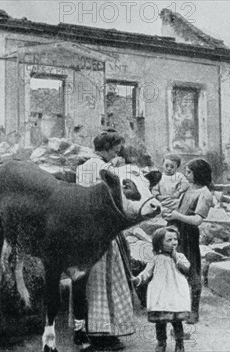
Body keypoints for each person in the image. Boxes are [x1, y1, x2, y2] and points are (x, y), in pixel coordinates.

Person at [74, 129, 132, 351]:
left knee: (86, 281)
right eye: (116, 146)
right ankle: (103, 333)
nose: (119, 150)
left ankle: (84, 329)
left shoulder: (82, 168)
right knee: (106, 281)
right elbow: (117, 201)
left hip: (83, 230)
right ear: (108, 148)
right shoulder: (106, 169)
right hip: (103, 230)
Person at [162, 158, 213, 325]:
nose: (186, 174)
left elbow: (197, 220)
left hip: (188, 234)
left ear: (198, 173)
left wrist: (177, 216)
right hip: (175, 231)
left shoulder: (205, 193)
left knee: (191, 269)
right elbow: (180, 209)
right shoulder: (189, 189)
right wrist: (171, 214)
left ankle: (194, 311)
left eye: (189, 172)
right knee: (173, 267)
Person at [132, 227, 191, 352]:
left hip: (176, 292)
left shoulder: (180, 256)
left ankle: (179, 343)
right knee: (160, 322)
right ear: (159, 243)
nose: (173, 242)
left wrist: (176, 257)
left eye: (175, 239)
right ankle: (161, 343)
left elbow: (186, 268)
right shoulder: (155, 258)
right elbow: (147, 272)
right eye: (169, 240)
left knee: (176, 321)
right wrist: (138, 279)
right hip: (160, 292)